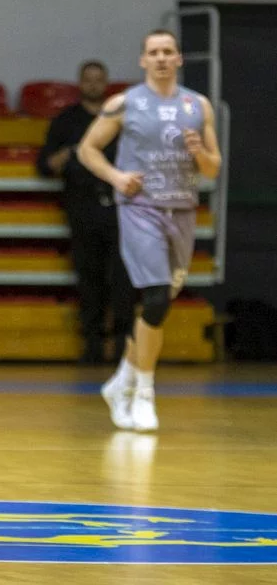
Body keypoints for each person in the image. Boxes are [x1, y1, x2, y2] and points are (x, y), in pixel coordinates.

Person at [78, 29, 221, 432]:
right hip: (141, 209)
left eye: (168, 51)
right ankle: (143, 391)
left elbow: (213, 169)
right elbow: (87, 149)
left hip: (183, 210)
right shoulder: (124, 103)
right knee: (156, 297)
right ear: (143, 60)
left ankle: (121, 380)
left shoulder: (198, 105)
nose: (161, 58)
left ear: (178, 59)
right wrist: (117, 177)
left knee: (160, 307)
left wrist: (199, 152)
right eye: (154, 52)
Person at [37, 61, 135, 364]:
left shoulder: (120, 120)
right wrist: (68, 153)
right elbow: (44, 165)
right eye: (88, 79)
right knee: (89, 279)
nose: (93, 84)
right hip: (82, 207)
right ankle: (92, 346)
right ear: (80, 83)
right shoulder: (66, 121)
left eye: (98, 79)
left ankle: (123, 346)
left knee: (122, 280)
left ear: (106, 83)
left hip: (120, 209)